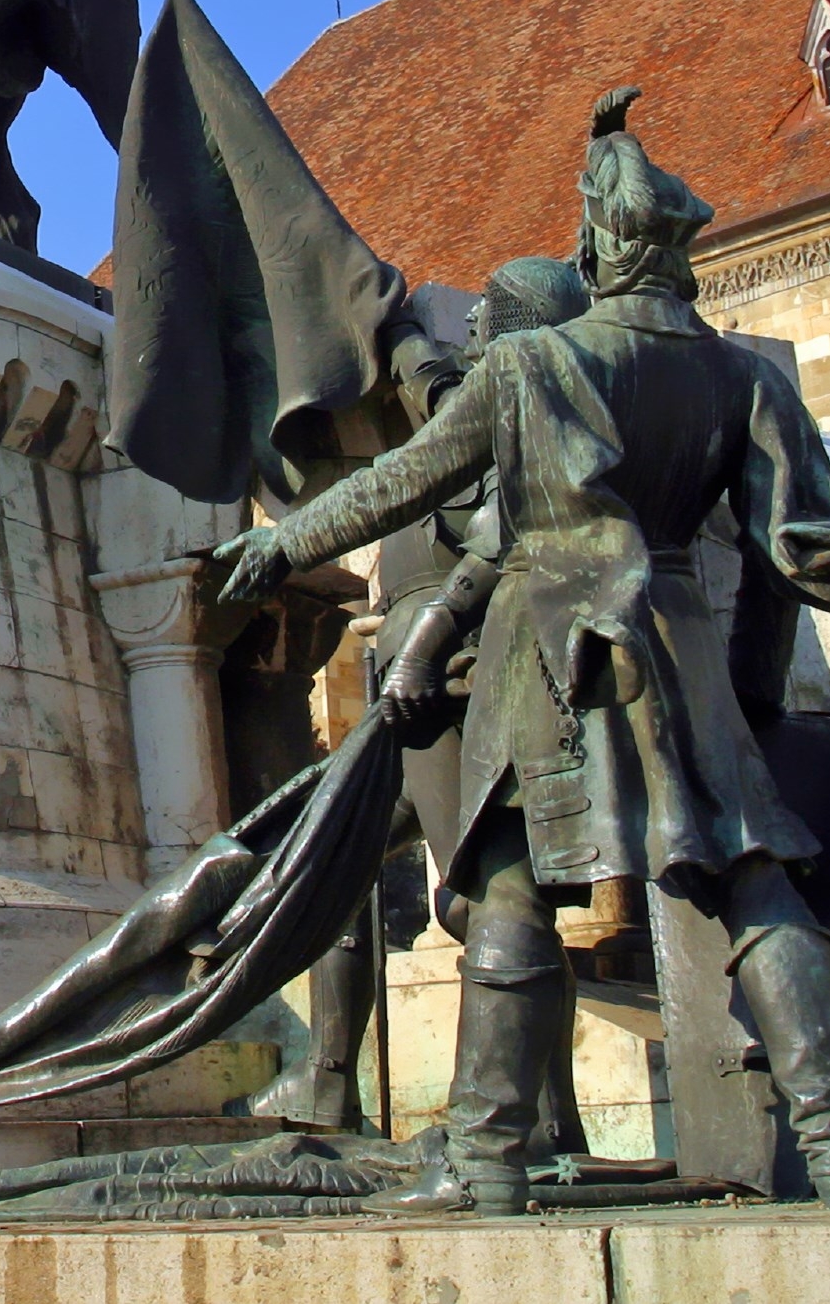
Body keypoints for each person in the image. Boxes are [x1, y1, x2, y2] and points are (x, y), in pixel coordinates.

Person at [212, 89, 830, 1214]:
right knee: (753, 880)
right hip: (678, 638)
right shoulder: (744, 380)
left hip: (545, 641)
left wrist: (283, 541)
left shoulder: (529, 368)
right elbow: (789, 559)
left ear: (595, 246)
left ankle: (490, 1164)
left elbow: (403, 480)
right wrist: (744, 689)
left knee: (509, 890)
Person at [244, 257, 591, 1135]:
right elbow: (429, 382)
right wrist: (385, 315)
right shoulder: (481, 404)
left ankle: (536, 1123)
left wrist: (429, 645)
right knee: (334, 863)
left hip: (446, 679)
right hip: (412, 673)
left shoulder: (519, 418)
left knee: (484, 899)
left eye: (486, 316)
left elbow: (489, 543)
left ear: (513, 334)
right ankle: (330, 1085)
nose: (469, 324)